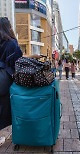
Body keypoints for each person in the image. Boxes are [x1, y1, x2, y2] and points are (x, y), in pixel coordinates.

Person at [0, 17, 43, 146]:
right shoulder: (11, 43)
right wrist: (33, 57)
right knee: (5, 107)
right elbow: (18, 62)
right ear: (9, 27)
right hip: (4, 79)